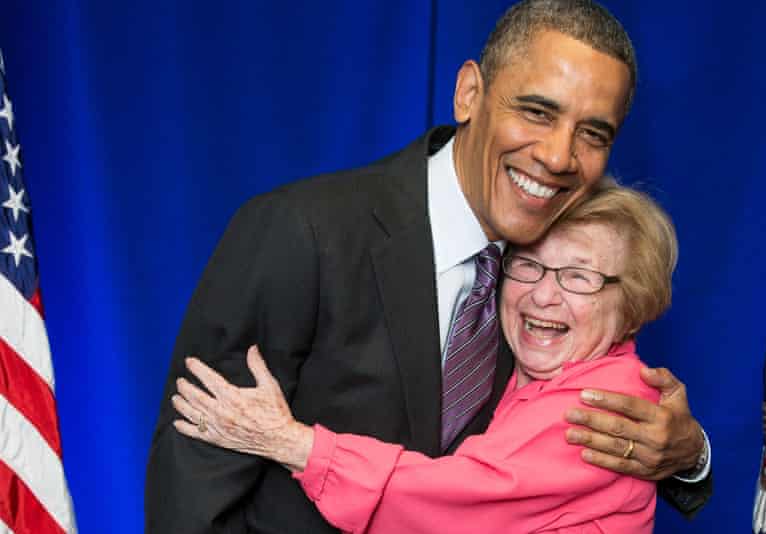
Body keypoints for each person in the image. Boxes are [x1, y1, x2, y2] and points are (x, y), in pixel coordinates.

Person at [145, 1, 712, 532]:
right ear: (469, 94)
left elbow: (528, 473)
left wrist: (689, 455)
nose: (559, 156)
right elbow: (200, 465)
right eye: (537, 111)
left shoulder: (559, 266)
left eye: (592, 134)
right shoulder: (303, 231)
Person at [172, 185, 677, 533]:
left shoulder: (608, 407)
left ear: (633, 306)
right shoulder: (518, 364)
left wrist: (293, 443)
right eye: (529, 266)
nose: (544, 295)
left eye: (579, 277)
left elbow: (456, 506)